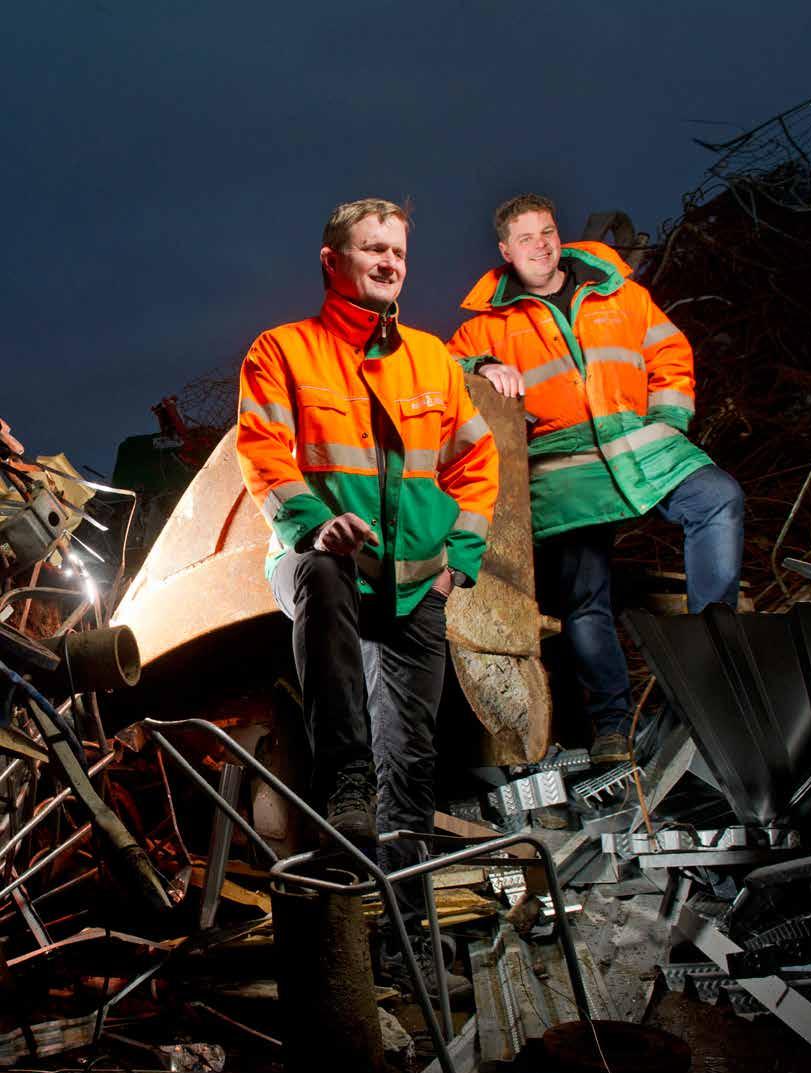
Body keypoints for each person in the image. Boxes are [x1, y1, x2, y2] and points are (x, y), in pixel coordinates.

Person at [237, 198, 499, 998]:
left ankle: (408, 938)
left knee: (411, 758)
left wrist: (457, 558)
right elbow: (263, 452)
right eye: (372, 249)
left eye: (398, 252)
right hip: (319, 568)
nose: (389, 263)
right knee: (318, 573)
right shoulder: (283, 351)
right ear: (332, 260)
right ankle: (344, 783)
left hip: (414, 578)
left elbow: (474, 464)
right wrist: (314, 523)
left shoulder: (431, 361)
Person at [448, 193, 744, 763]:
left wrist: (669, 421)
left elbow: (670, 354)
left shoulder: (621, 294)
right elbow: (442, 366)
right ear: (506, 252)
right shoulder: (486, 327)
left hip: (638, 436)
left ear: (559, 236)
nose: (540, 245)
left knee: (717, 497)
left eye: (547, 232)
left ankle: (715, 645)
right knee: (584, 597)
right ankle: (613, 727)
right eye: (526, 238)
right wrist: (482, 366)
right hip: (563, 463)